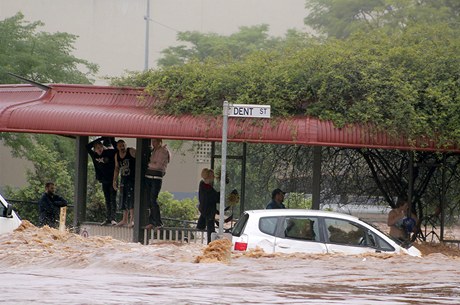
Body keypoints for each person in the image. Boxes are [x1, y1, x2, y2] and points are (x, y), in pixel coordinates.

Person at [86, 136, 118, 226]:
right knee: (107, 199)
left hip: (113, 179)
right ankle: (108, 218)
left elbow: (116, 149)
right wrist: (99, 139)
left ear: (103, 147)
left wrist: (108, 138)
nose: (99, 150)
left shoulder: (109, 152)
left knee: (113, 198)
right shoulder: (94, 155)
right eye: (97, 148)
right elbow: (87, 147)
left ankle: (113, 218)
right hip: (104, 180)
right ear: (95, 150)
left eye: (100, 147)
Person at [145, 138, 170, 230]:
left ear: (160, 142)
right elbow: (154, 163)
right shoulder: (153, 150)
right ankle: (152, 221)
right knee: (149, 200)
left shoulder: (163, 151)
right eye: (152, 141)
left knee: (153, 199)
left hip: (156, 177)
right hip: (149, 176)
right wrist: (152, 163)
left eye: (155, 141)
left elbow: (158, 165)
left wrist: (149, 164)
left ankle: (158, 222)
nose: (153, 143)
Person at [113, 139, 136, 227]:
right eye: (120, 146)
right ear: (117, 147)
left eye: (123, 145)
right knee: (123, 198)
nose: (122, 147)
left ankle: (132, 220)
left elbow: (142, 158)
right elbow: (116, 168)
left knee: (131, 199)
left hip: (132, 179)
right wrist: (114, 181)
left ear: (126, 145)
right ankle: (124, 219)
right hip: (123, 179)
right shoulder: (117, 155)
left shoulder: (131, 151)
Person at [197, 168, 220, 244]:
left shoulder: (203, 185)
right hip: (208, 212)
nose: (213, 178)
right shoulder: (207, 188)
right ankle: (211, 244)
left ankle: (210, 243)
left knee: (202, 226)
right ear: (209, 176)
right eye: (212, 176)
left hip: (205, 210)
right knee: (211, 230)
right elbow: (215, 197)